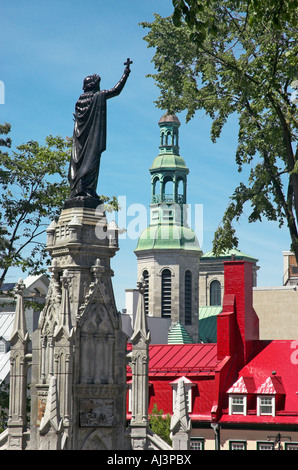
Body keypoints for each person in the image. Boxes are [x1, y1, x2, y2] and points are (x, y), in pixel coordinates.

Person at [68, 59, 132, 198]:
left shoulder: (79, 102)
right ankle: (87, 189)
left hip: (79, 142)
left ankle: (79, 188)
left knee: (80, 162)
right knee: (92, 162)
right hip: (92, 140)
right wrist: (125, 74)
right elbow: (116, 90)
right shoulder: (98, 96)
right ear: (94, 86)